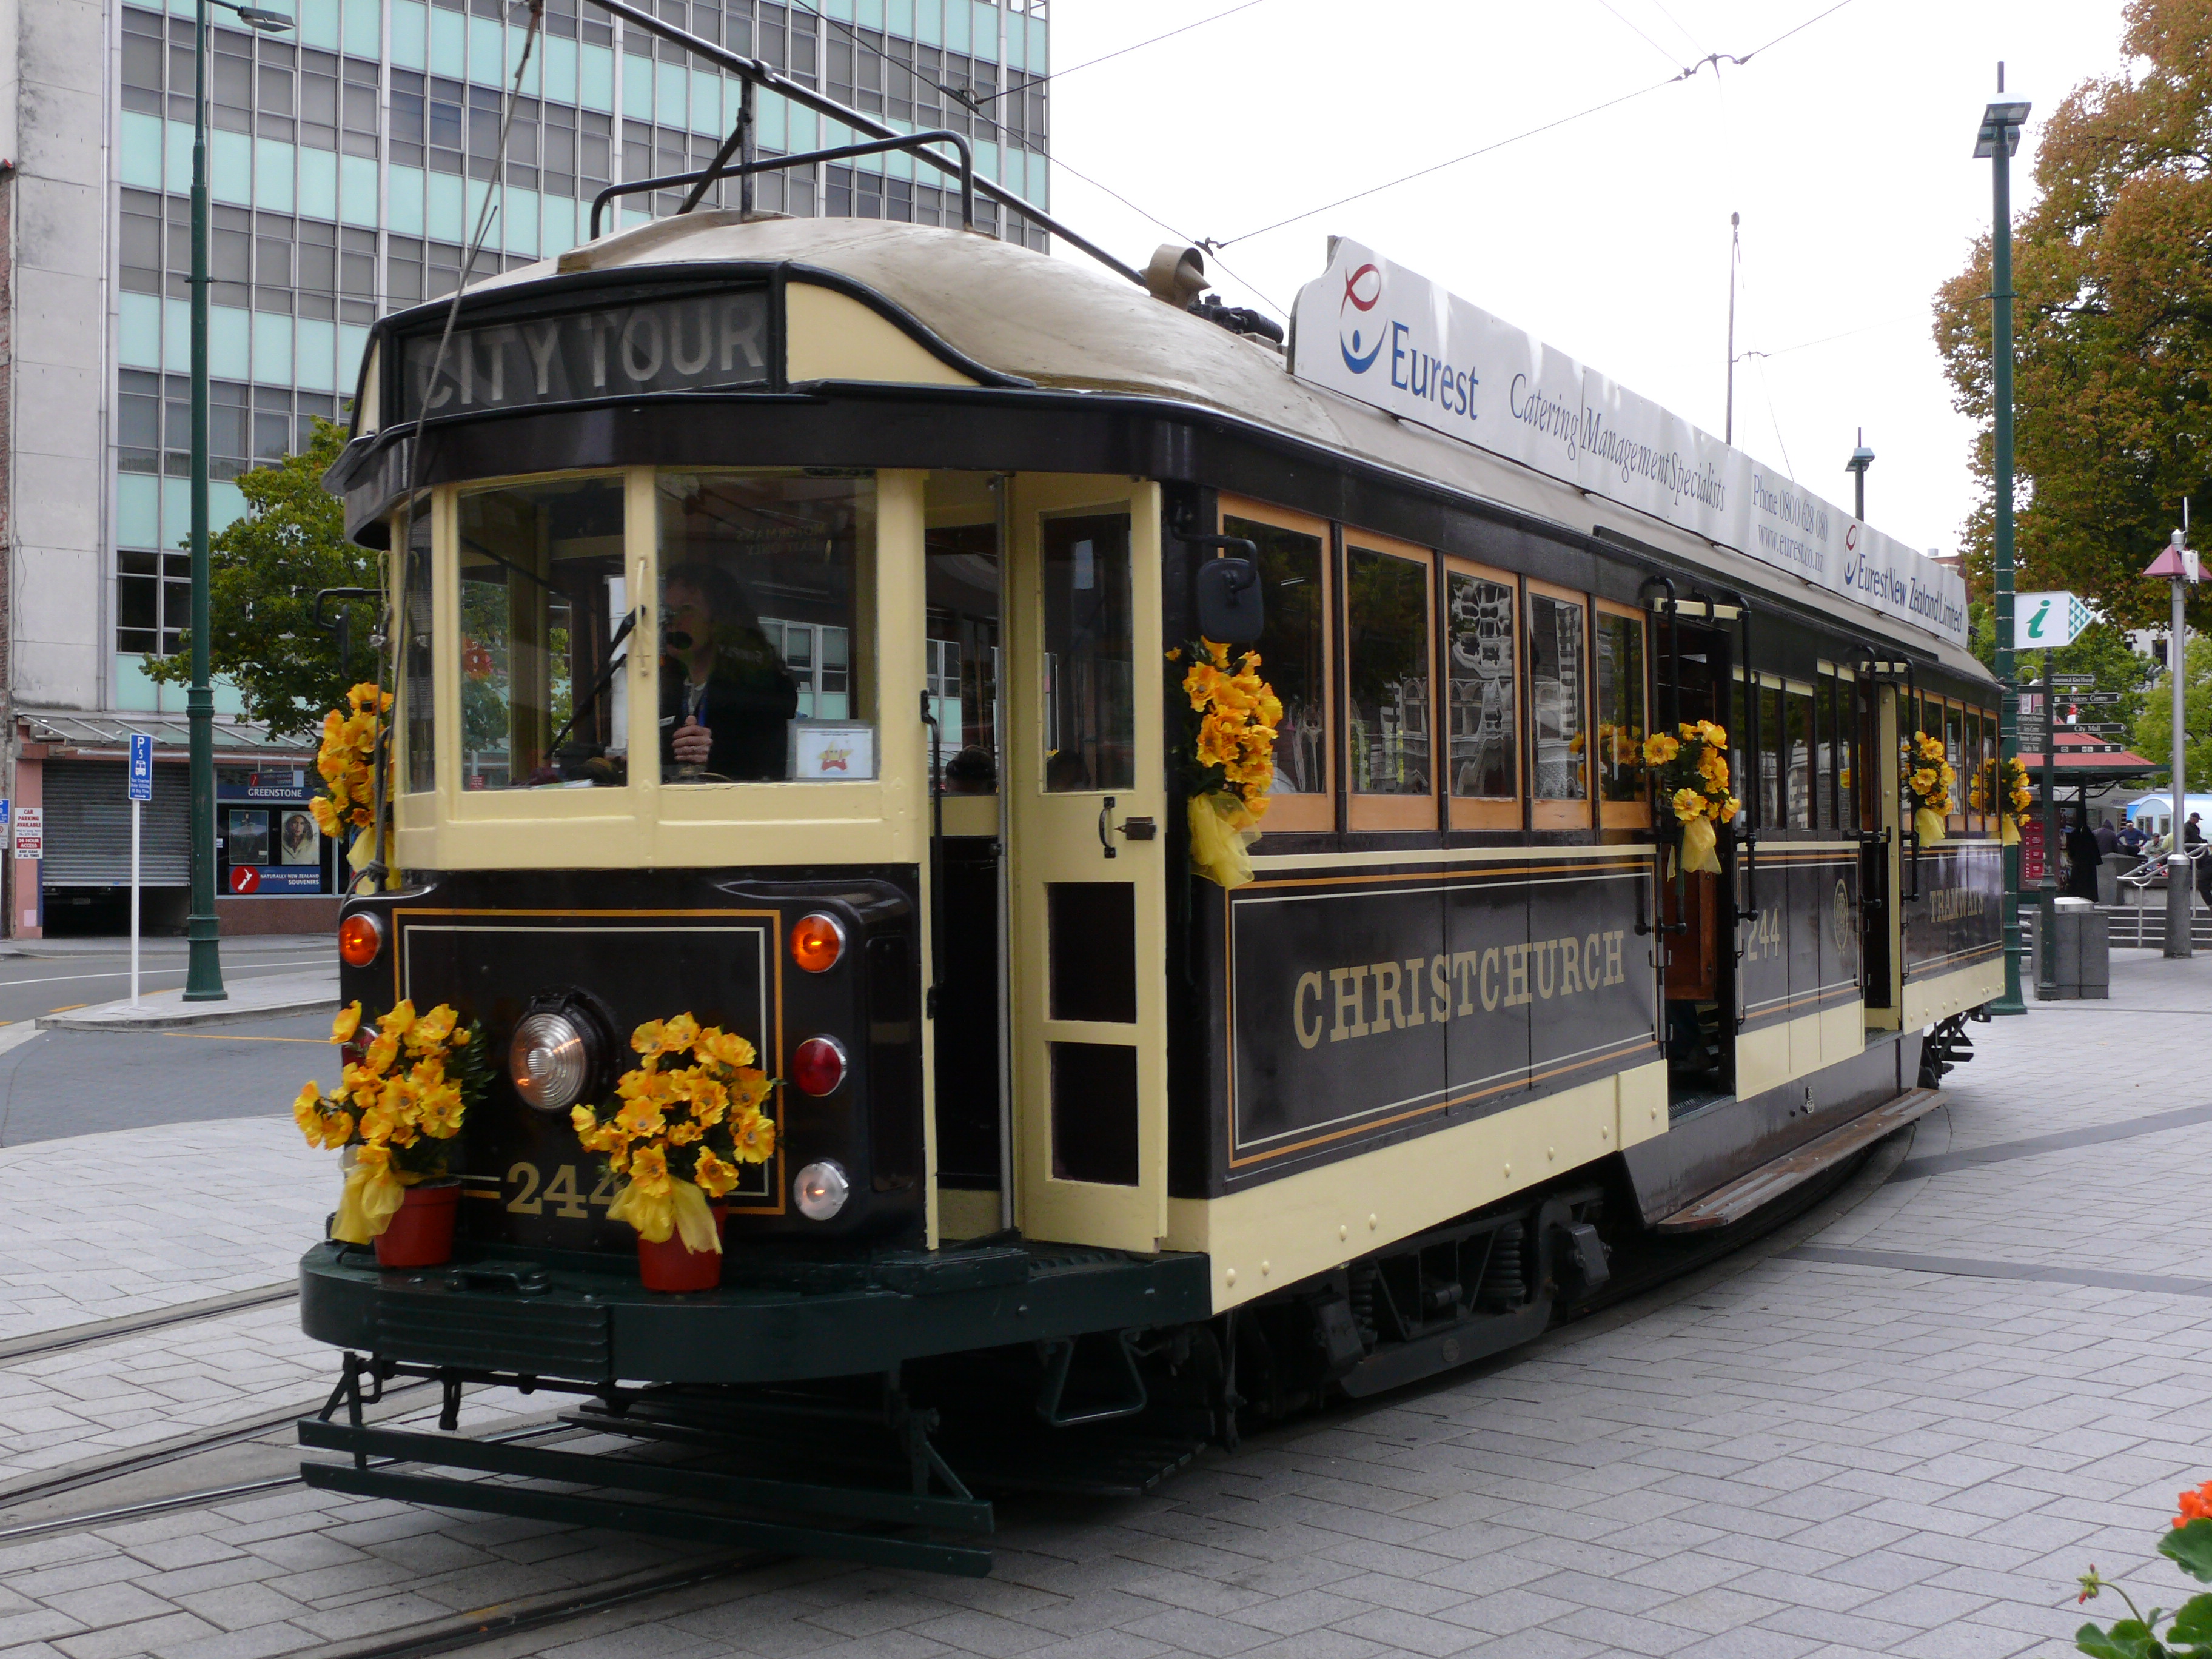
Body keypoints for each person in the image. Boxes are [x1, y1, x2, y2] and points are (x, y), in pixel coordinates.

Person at [660, 561, 800, 782]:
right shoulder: (657, 687)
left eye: (686, 609)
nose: (671, 622)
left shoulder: (760, 691)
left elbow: (772, 765)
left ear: (719, 620)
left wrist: (715, 753)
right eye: (668, 612)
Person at [2065, 816, 2102, 901]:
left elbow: (2071, 850)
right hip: (2089, 865)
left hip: (2078, 863)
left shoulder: (2075, 835)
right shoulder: (2090, 836)